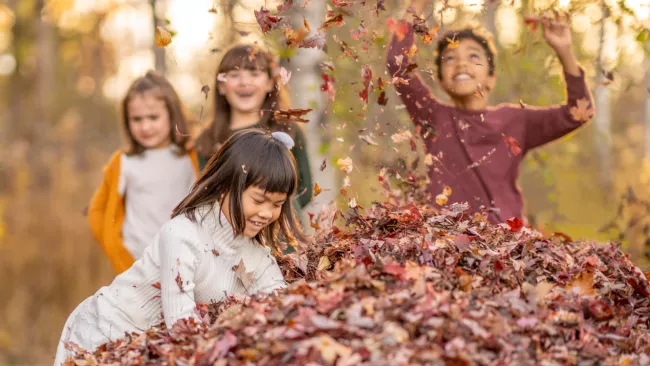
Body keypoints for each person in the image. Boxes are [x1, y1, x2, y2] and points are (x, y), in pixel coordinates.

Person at [55, 129, 303, 365]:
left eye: (277, 204)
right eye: (258, 200)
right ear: (226, 187)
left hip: (150, 350)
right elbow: (182, 330)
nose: (266, 213)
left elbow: (282, 310)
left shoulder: (257, 256)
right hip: (104, 334)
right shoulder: (183, 235)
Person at [387, 0, 594, 223]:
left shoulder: (515, 121)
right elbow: (396, 61)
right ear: (441, 80)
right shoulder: (434, 117)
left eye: (474, 56)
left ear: (491, 77)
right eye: (450, 58)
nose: (461, 64)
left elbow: (579, 112)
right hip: (446, 245)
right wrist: (417, 5)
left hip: (506, 247)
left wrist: (564, 52)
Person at [87, 71, 200, 273]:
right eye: (137, 119)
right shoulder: (124, 161)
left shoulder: (190, 157)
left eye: (153, 117)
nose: (145, 126)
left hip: (184, 263)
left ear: (172, 114)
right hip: (137, 266)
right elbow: (97, 211)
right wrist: (117, 251)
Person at [195, 44, 313, 211]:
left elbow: (304, 190)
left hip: (281, 231)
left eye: (254, 74)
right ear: (221, 85)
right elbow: (207, 196)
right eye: (234, 75)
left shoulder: (287, 131)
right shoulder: (208, 141)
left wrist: (273, 212)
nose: (244, 82)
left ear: (270, 83)